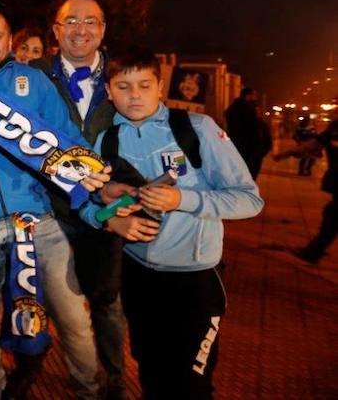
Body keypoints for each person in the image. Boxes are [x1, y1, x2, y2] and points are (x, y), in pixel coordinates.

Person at [81, 47, 263, 400]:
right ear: (108, 92)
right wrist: (109, 221)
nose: (134, 95)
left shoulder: (196, 128)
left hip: (195, 281)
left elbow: (249, 200)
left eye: (144, 85)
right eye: (123, 86)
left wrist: (184, 200)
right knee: (151, 373)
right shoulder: (107, 141)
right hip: (138, 277)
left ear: (160, 87)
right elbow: (90, 205)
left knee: (191, 384)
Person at [0, 8, 109, 399]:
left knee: (72, 316)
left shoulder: (32, 81)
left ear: (9, 41)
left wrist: (90, 168)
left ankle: (90, 389)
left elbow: (69, 137)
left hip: (35, 217)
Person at [31, 0, 124, 398]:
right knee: (37, 296)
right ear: (56, 29)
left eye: (90, 21)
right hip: (48, 207)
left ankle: (114, 378)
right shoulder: (33, 74)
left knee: (105, 301)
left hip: (105, 208)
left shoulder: (122, 76)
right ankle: (30, 366)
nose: (80, 29)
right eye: (71, 21)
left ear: (102, 29)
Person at [275, 107, 338, 263]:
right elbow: (315, 144)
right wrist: (289, 152)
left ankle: (314, 251)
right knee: (332, 215)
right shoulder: (335, 127)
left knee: (333, 215)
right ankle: (314, 251)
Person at [225, 88, 269, 179]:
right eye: (254, 95)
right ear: (248, 96)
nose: (255, 97)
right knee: (251, 169)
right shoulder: (248, 108)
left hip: (236, 141)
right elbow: (253, 127)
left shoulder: (233, 107)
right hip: (248, 144)